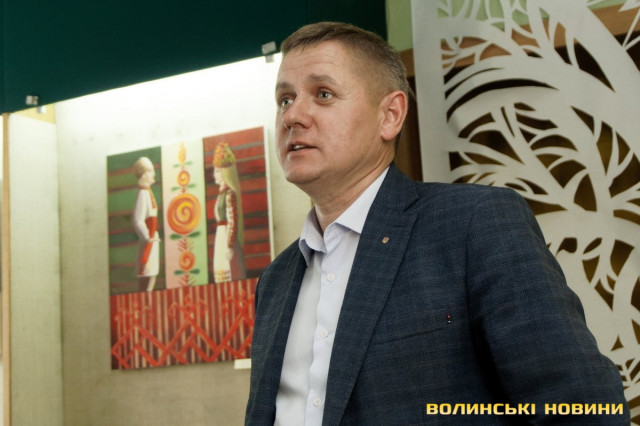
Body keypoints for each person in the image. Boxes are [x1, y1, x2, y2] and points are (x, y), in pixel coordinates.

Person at [245, 22, 629, 425]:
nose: (293, 116)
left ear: (390, 115)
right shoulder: (275, 280)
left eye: (323, 94)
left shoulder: (473, 225)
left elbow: (581, 405)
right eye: (285, 99)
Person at [212, 141, 246, 283]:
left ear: (225, 173)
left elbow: (232, 221)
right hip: (220, 235)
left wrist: (230, 245)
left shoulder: (229, 194)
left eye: (217, 171)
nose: (214, 175)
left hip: (226, 236)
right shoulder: (222, 194)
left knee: (230, 269)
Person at [132, 156, 160, 292]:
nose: (153, 174)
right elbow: (138, 220)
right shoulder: (143, 193)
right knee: (147, 274)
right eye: (150, 171)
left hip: (152, 238)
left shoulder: (147, 192)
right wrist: (148, 237)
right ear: (143, 175)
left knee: (152, 274)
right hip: (148, 241)